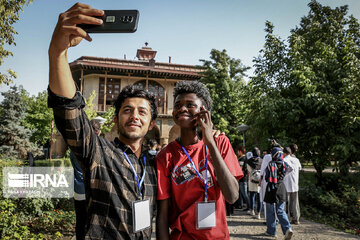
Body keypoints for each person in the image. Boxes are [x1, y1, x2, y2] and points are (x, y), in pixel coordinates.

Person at [48, 3, 158, 238]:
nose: (135, 116)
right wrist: (58, 52)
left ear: (151, 124)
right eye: (127, 110)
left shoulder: (154, 166)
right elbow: (70, 113)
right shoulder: (99, 153)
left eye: (142, 112)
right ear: (116, 119)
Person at [156, 81, 243, 240]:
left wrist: (210, 142)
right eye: (178, 105)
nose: (182, 109)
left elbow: (232, 196)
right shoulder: (165, 156)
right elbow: (162, 214)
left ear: (203, 111)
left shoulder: (220, 143)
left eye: (190, 105)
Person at [69, 119, 101, 240]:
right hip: (94, 191)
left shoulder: (74, 147)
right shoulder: (99, 148)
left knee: (80, 221)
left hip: (78, 190)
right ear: (99, 132)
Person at [264, 147, 293, 239]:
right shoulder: (285, 164)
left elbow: (266, 177)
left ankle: (271, 231)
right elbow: (290, 170)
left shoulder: (271, 164)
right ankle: (287, 229)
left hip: (271, 189)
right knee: (280, 210)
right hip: (281, 188)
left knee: (270, 211)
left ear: (273, 155)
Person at [284, 144, 302, 225]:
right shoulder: (296, 160)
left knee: (285, 202)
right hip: (295, 183)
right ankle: (296, 218)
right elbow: (299, 168)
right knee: (295, 202)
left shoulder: (284, 160)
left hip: (286, 184)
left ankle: (286, 218)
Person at [247, 147, 263, 219]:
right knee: (260, 197)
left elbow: (248, 171)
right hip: (260, 180)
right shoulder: (262, 161)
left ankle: (252, 210)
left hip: (252, 180)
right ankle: (258, 213)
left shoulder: (249, 161)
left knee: (252, 195)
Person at [236, 146, 250, 211]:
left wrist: (237, 177)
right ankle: (240, 205)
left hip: (242, 178)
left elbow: (240, 168)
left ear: (240, 151)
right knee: (241, 193)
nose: (237, 152)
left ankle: (249, 207)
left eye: (238, 151)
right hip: (244, 178)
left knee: (244, 194)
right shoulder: (244, 158)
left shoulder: (242, 159)